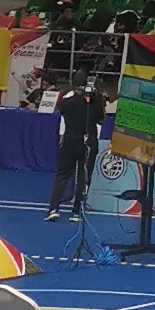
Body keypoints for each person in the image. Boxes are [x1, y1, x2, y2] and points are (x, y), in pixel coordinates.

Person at [48, 77, 102, 219]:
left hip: (70, 141)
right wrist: (96, 99)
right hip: (88, 141)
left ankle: (53, 208)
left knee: (62, 174)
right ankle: (77, 211)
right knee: (83, 176)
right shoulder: (95, 103)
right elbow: (101, 119)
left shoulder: (68, 102)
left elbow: (60, 109)